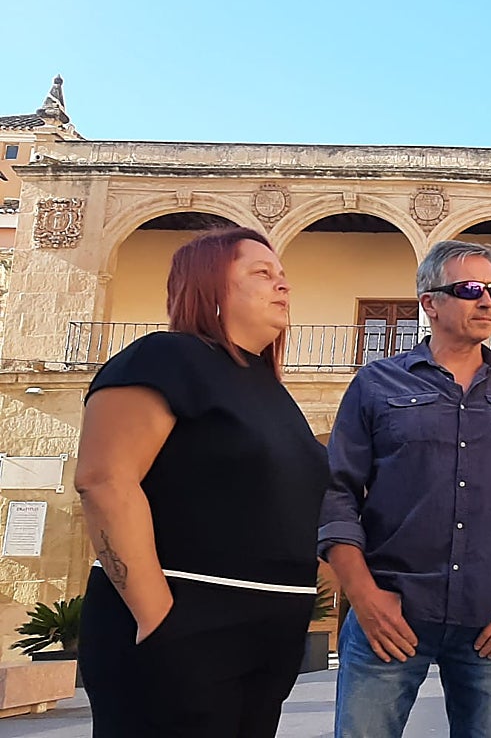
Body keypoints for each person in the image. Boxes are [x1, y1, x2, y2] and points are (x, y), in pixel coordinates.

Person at [75, 227, 329, 737]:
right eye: (262, 273)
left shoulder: (271, 393)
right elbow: (104, 480)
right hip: (185, 630)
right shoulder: (163, 359)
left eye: (283, 276)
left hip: (265, 640)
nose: (283, 286)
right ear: (210, 287)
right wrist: (157, 620)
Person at [320, 240, 491, 737]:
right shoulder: (376, 385)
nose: (488, 302)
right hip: (391, 616)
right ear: (429, 302)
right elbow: (336, 494)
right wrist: (365, 597)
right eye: (470, 289)